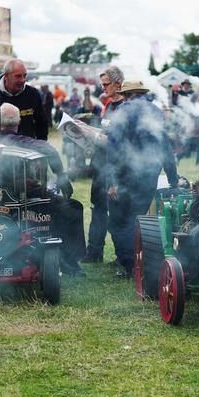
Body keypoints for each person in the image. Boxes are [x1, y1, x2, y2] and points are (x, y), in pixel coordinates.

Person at [0, 103, 85, 277]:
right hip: (23, 196)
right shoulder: (21, 141)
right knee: (73, 207)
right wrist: (62, 177)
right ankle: (68, 261)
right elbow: (48, 150)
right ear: (19, 121)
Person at [106, 80, 179, 277]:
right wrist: (173, 177)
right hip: (150, 173)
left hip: (124, 175)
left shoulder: (121, 111)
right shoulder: (155, 111)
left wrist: (112, 181)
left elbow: (113, 146)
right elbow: (165, 145)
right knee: (137, 218)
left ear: (126, 94)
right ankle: (141, 262)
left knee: (118, 222)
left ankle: (130, 266)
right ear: (141, 93)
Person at [82, 68, 125, 263]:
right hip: (101, 165)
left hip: (115, 167)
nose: (103, 88)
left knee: (116, 213)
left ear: (118, 84)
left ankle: (122, 256)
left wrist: (93, 134)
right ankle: (94, 252)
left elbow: (116, 141)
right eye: (102, 84)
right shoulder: (108, 105)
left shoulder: (125, 107)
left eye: (106, 84)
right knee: (97, 208)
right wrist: (83, 129)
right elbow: (103, 132)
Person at [0, 59, 48, 143]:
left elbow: (42, 123)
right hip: (0, 152)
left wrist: (41, 146)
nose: (23, 80)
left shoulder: (32, 94)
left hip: (28, 151)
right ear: (6, 76)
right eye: (18, 76)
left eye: (24, 76)